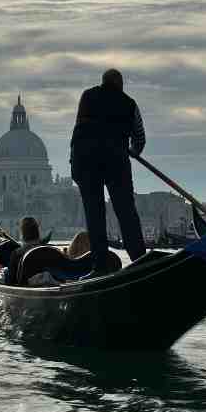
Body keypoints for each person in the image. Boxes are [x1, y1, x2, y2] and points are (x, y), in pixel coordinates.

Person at [71, 68, 147, 277]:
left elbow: (79, 128)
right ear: (120, 84)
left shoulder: (87, 96)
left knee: (95, 215)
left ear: (103, 82)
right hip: (116, 161)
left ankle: (100, 265)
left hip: (85, 162)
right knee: (125, 212)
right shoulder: (129, 103)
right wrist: (134, 150)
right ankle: (140, 259)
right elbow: (139, 137)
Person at [4, 216, 44, 285]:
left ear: (22, 233)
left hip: (25, 287)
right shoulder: (47, 249)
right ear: (37, 231)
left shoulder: (16, 253)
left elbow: (11, 281)